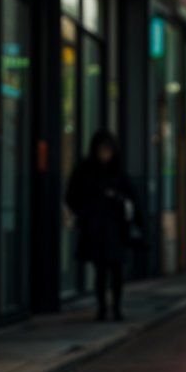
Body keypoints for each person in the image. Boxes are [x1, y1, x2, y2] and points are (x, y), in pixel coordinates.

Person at [64, 129, 141, 321]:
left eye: (108, 150)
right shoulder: (85, 171)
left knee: (116, 272)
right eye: (102, 150)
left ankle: (115, 308)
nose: (105, 155)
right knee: (100, 271)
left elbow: (133, 199)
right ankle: (102, 309)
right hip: (96, 229)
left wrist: (117, 199)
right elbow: (72, 196)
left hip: (115, 230)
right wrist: (86, 213)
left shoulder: (118, 172)